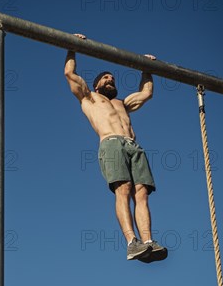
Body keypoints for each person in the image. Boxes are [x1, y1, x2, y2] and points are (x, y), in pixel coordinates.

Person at [64, 34, 167, 263]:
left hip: (133, 145)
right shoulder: (88, 98)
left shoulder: (123, 104)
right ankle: (132, 242)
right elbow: (69, 73)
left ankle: (148, 242)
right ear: (97, 84)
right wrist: (72, 47)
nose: (110, 79)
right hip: (110, 143)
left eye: (112, 77)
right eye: (106, 77)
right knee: (124, 189)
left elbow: (147, 93)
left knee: (141, 193)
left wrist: (146, 68)